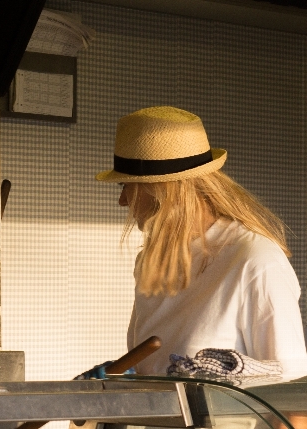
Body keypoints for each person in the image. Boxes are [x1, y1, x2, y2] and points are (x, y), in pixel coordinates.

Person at [96, 106, 307, 379]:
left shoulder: (255, 260)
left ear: (164, 190)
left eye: (127, 186)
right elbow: (154, 371)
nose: (122, 201)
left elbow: (292, 398)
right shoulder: (151, 261)